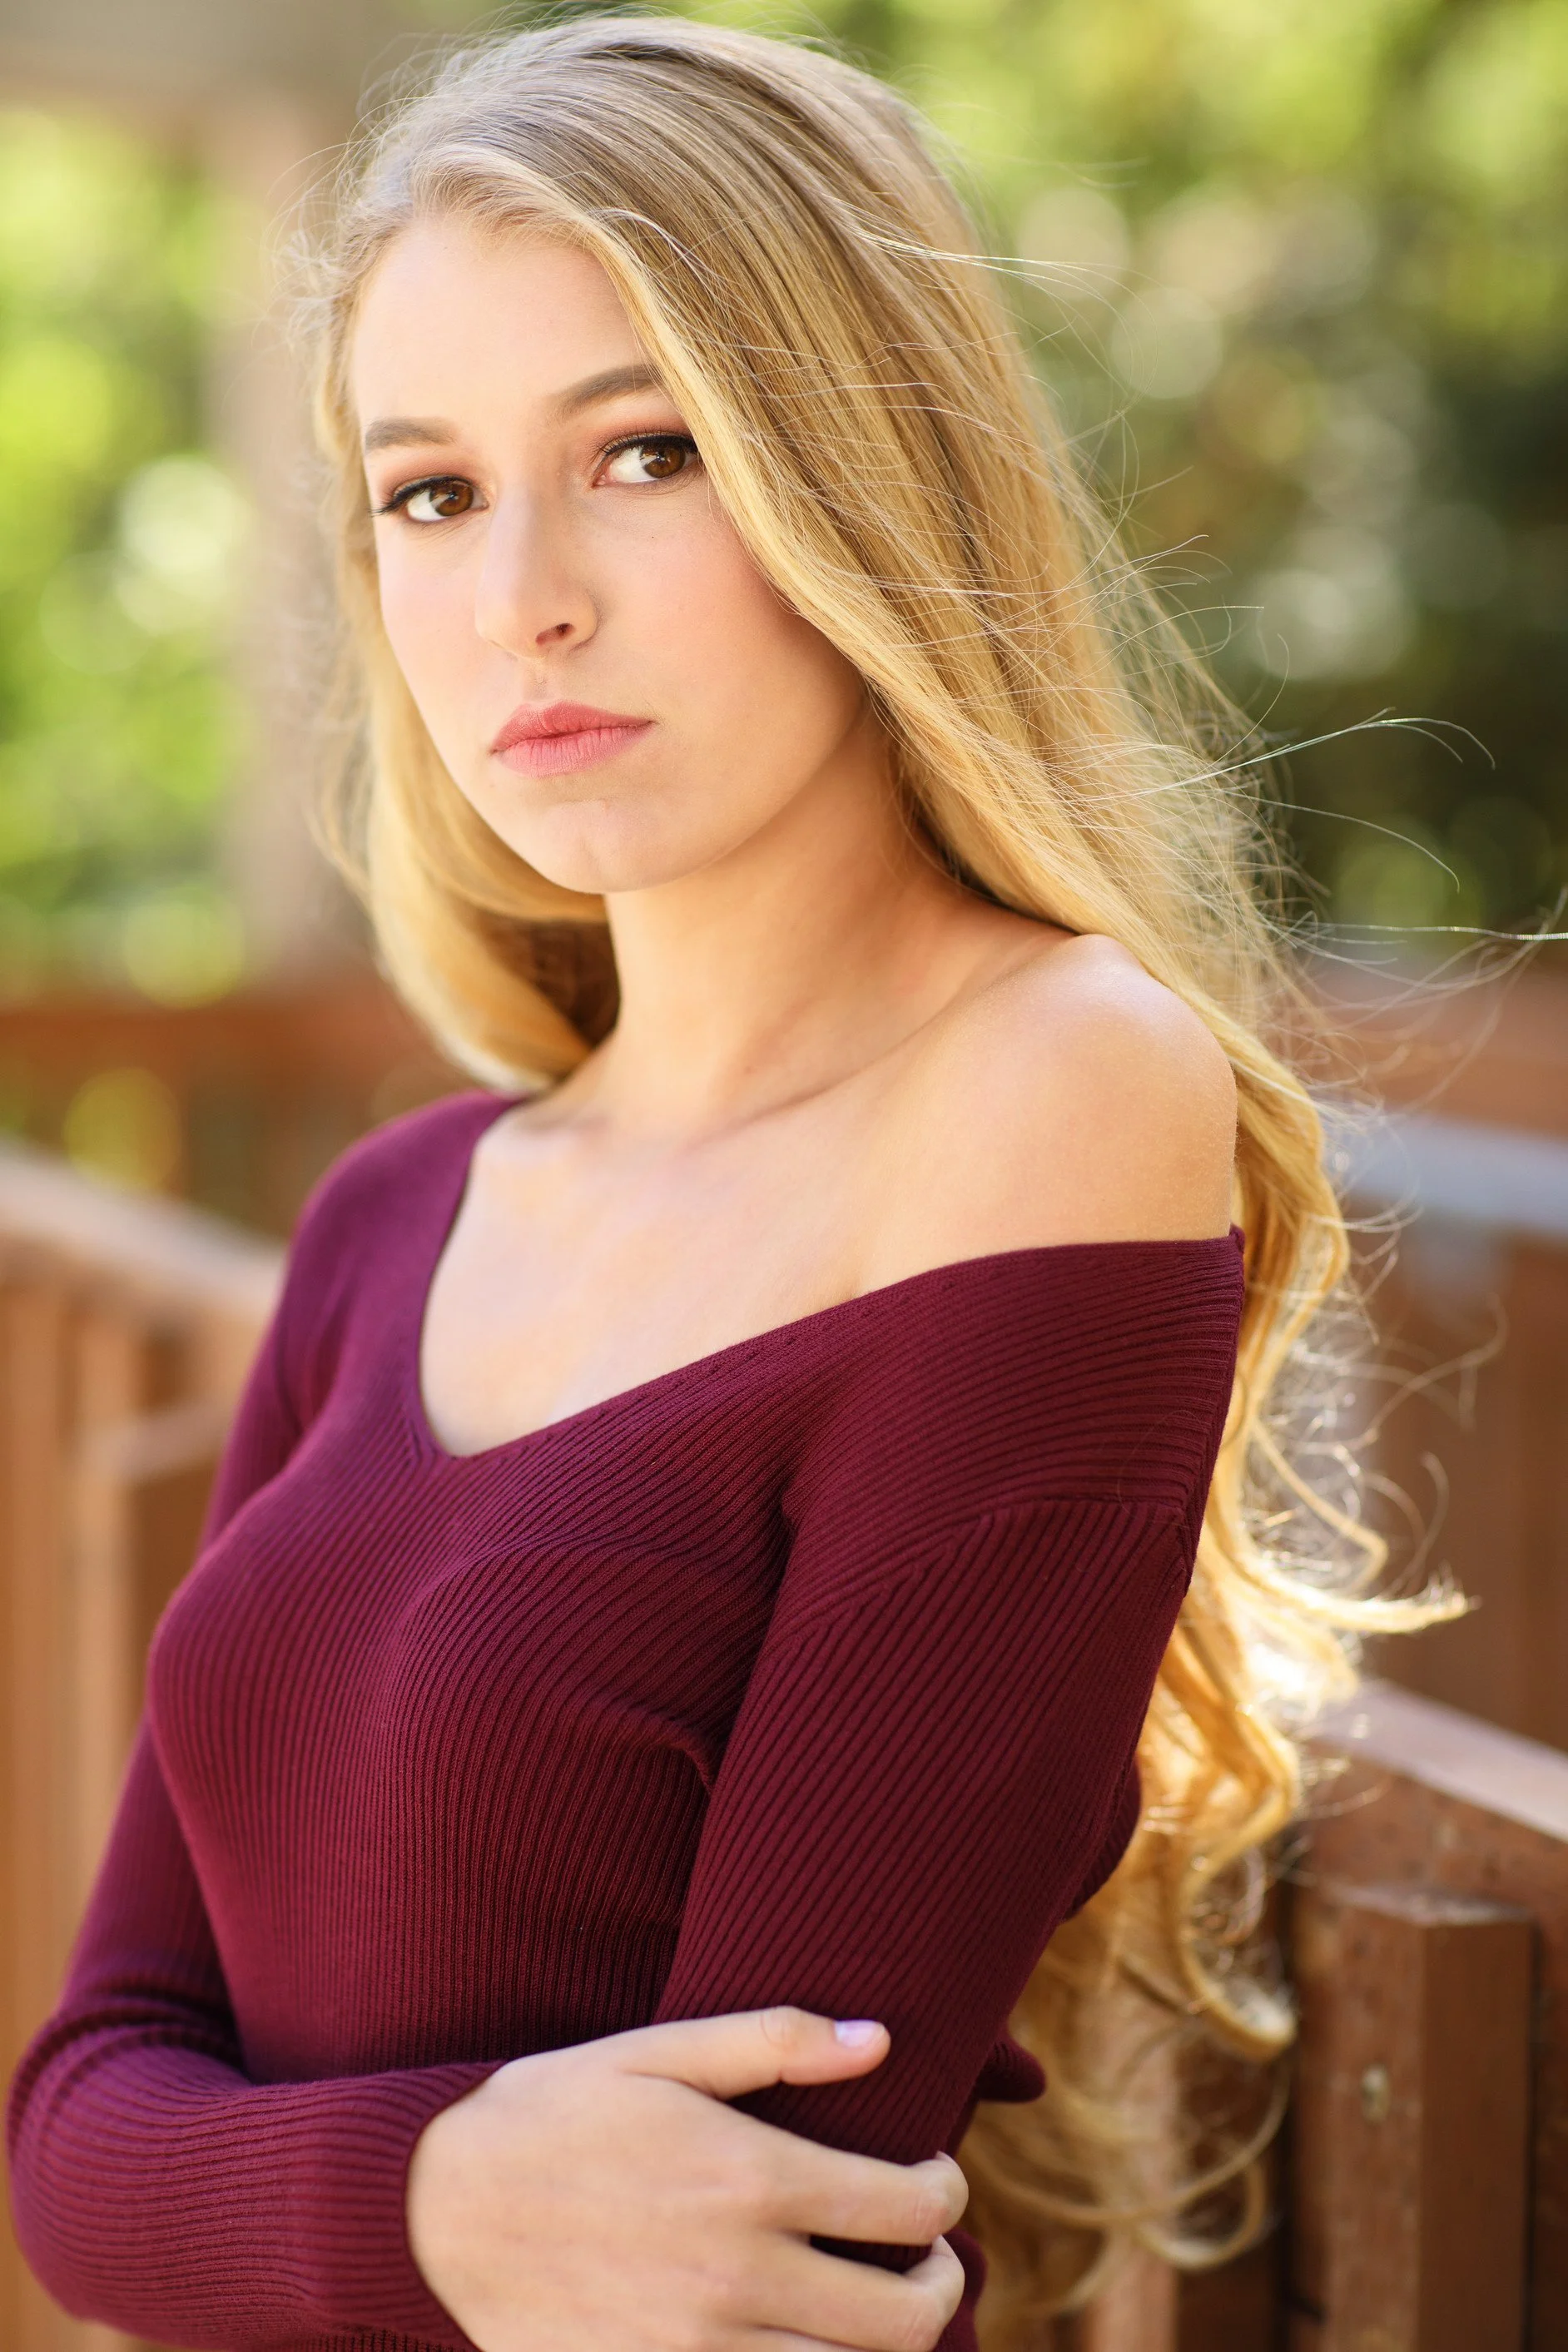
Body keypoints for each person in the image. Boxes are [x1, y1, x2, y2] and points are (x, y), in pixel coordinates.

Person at [6, 19, 1432, 2352]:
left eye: (643, 453)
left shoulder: (1051, 1092)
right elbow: (76, 2137)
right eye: (431, 493)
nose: (522, 601)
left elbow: (762, 2215)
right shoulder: (404, 1214)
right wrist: (445, 2199)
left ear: (863, 483)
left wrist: (284, 2196)